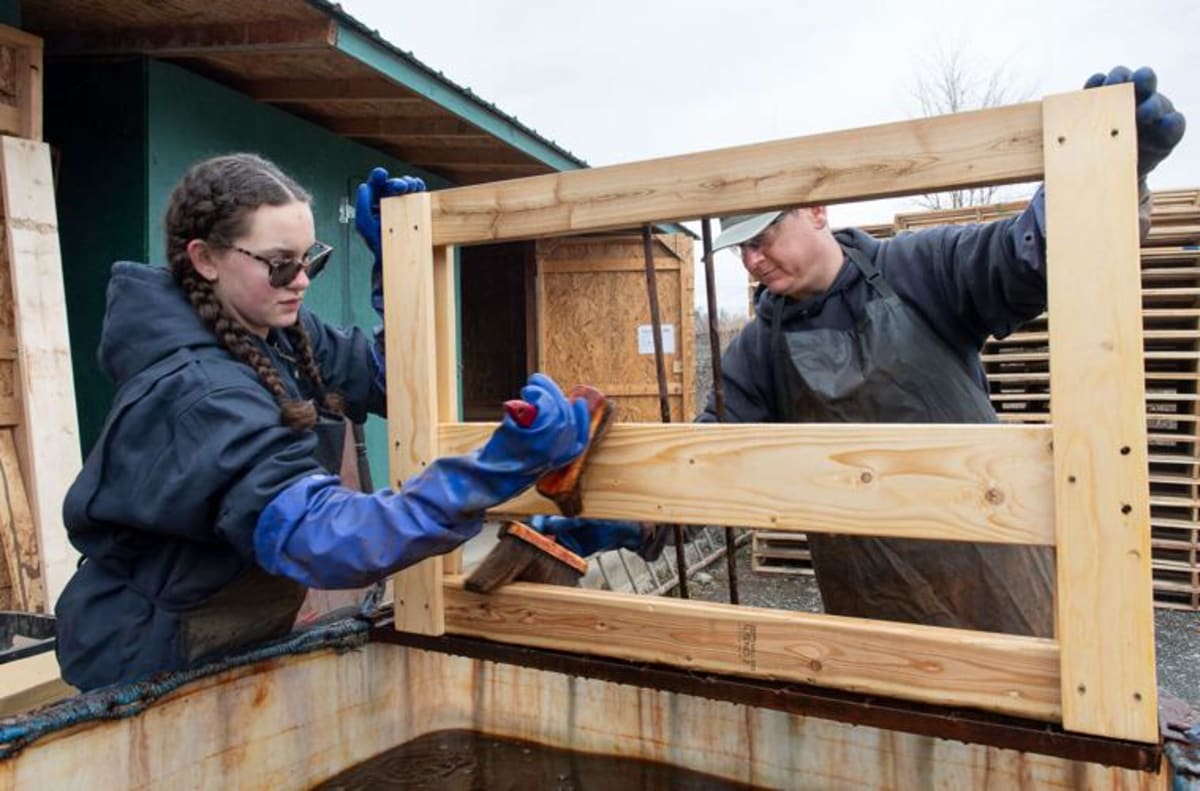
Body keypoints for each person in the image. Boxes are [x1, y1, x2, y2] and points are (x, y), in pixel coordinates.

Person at [534, 65, 1186, 638]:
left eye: (766, 236)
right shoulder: (757, 350)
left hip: (996, 587)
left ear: (816, 210)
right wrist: (632, 517)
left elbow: (1025, 259)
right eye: (742, 249)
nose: (755, 260)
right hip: (871, 612)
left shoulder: (922, 269)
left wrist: (1100, 176)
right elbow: (714, 466)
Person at [54, 155, 592, 691]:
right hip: (143, 654)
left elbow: (389, 382)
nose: (302, 280)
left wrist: (401, 269)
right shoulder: (196, 394)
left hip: (224, 629)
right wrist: (493, 471)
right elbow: (329, 539)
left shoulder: (281, 334)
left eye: (310, 258)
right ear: (205, 258)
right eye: (280, 264)